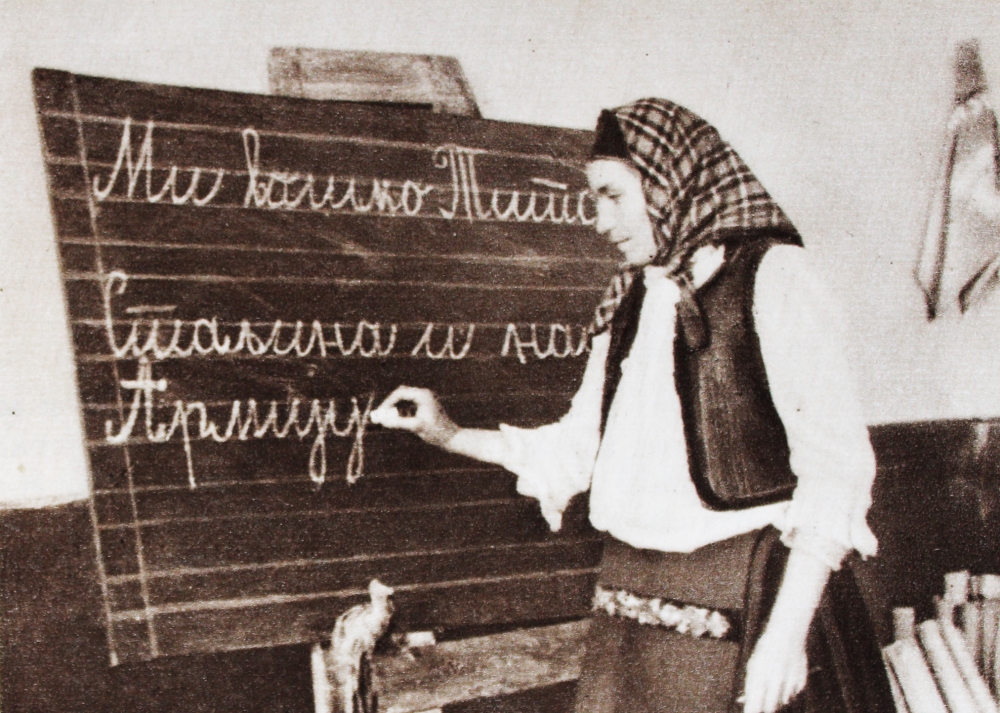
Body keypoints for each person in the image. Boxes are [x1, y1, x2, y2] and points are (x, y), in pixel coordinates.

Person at [370, 99, 893, 713]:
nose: (599, 221)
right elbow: (577, 448)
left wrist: (784, 638)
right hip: (630, 609)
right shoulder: (633, 298)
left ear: (671, 184)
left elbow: (837, 469)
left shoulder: (773, 276)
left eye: (613, 196)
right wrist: (449, 433)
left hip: (747, 601)